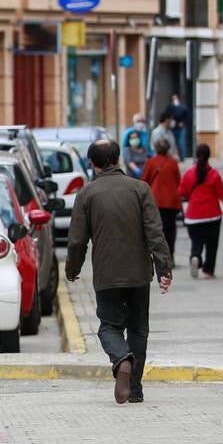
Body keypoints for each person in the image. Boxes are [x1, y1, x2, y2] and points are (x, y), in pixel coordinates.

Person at [66, 139, 173, 404]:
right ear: (117, 159)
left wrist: (72, 269)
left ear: (92, 163)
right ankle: (135, 389)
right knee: (138, 329)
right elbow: (155, 232)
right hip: (139, 274)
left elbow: (77, 240)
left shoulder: (87, 194)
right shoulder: (140, 189)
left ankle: (121, 358)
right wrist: (164, 268)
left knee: (109, 326)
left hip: (107, 275)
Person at [178, 144, 223, 279]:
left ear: (196, 155)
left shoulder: (189, 174)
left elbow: (181, 192)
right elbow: (222, 195)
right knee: (212, 246)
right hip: (212, 216)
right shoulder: (214, 174)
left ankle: (195, 257)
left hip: (193, 217)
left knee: (196, 243)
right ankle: (208, 270)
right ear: (209, 156)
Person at [141, 138, 182, 259]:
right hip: (171, 201)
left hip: (156, 201)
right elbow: (178, 180)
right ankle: (171, 256)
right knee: (170, 230)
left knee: (156, 230)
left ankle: (159, 256)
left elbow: (144, 181)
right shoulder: (173, 162)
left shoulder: (150, 162)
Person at [162, 94, 192, 159]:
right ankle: (173, 156)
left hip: (181, 128)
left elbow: (187, 117)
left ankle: (182, 157)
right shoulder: (169, 108)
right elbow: (167, 116)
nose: (174, 100)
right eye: (173, 99)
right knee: (172, 142)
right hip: (172, 127)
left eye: (175, 98)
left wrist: (183, 123)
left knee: (181, 142)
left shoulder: (183, 107)